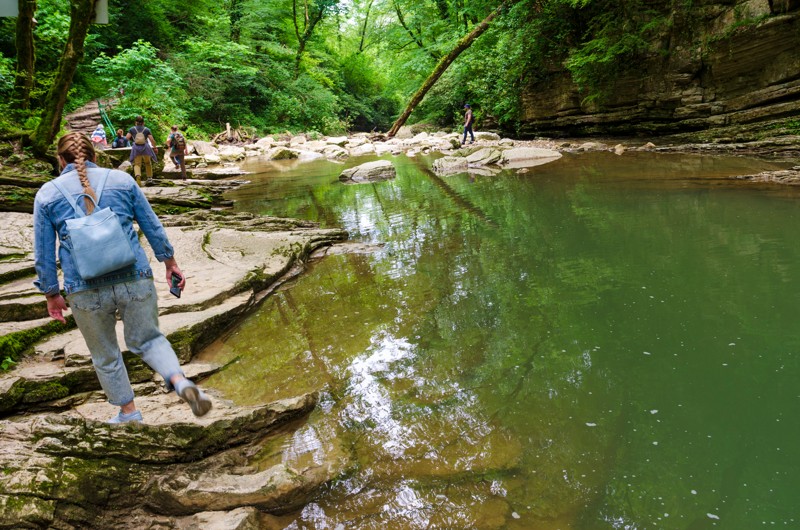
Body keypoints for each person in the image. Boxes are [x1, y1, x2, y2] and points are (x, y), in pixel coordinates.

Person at [33, 132, 212, 424]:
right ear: (94, 154)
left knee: (105, 354)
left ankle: (129, 413)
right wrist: (170, 263)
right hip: (134, 275)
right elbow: (151, 225)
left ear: (60, 159)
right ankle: (179, 381)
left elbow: (42, 251)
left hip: (84, 287)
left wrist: (51, 293)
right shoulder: (123, 181)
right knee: (149, 339)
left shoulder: (47, 194)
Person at [125, 116, 158, 185]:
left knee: (137, 164)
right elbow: (152, 140)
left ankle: (138, 176)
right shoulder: (147, 129)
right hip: (145, 148)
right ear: (143, 123)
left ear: (135, 122)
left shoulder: (132, 129)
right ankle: (149, 178)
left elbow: (127, 138)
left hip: (136, 148)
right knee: (148, 163)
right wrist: (155, 148)